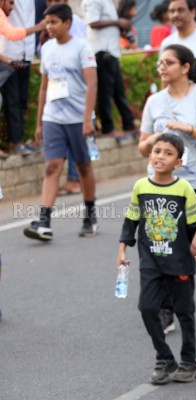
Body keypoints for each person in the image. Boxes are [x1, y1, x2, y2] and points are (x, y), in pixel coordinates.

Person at [139, 44, 196, 319]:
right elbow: (143, 146)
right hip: (163, 185)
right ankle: (166, 307)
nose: (161, 67)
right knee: (164, 243)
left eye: (168, 62)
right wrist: (157, 139)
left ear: (185, 67)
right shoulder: (155, 101)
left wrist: (187, 129)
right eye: (160, 63)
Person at [117, 133, 196, 384]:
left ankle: (189, 361)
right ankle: (164, 357)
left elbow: (195, 227)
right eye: (156, 151)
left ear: (178, 162)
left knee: (184, 311)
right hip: (150, 260)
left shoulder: (184, 188)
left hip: (179, 262)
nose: (160, 156)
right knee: (147, 307)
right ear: (149, 155)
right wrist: (122, 249)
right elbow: (131, 219)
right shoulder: (141, 186)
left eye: (168, 153)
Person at [23, 3, 99, 242]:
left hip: (79, 118)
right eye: (47, 22)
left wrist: (88, 118)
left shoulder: (82, 47)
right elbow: (44, 87)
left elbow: (92, 83)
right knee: (52, 165)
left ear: (67, 23)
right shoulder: (46, 48)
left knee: (83, 166)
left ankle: (90, 215)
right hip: (53, 116)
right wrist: (39, 124)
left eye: (54, 22)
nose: (49, 26)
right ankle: (44, 220)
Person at [84, 0, 136, 139]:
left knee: (119, 91)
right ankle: (107, 128)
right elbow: (93, 23)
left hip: (112, 51)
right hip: (102, 52)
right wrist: (118, 22)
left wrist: (121, 27)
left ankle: (129, 125)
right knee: (105, 93)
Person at [1, 0, 41, 155]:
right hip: (9, 52)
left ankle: (21, 141)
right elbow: (12, 33)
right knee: (12, 101)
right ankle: (15, 142)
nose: (11, 6)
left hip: (27, 52)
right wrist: (40, 27)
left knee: (22, 100)